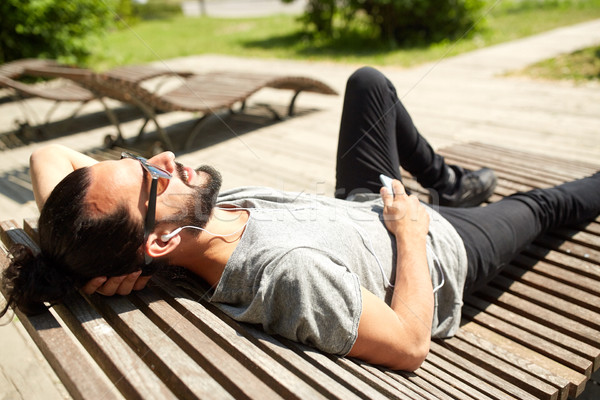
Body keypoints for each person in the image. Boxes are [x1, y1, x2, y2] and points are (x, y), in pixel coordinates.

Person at [1, 67, 599, 372]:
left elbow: (49, 155)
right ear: (159, 240)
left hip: (361, 206)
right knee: (552, 204)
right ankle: (448, 197)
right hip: (439, 246)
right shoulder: (286, 273)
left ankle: (449, 181)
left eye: (135, 160)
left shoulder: (182, 229)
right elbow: (411, 343)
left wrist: (67, 256)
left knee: (370, 84)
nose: (162, 158)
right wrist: (412, 232)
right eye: (153, 178)